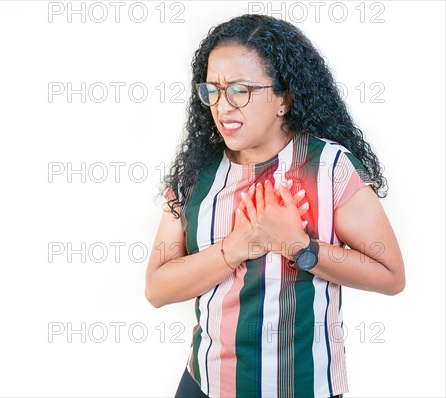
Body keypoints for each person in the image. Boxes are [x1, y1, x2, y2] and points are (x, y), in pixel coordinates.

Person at [144, 14, 405, 398]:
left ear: (285, 97)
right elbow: (157, 288)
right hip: (205, 385)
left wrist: (299, 247)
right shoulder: (194, 175)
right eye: (212, 89)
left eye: (240, 90)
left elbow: (390, 276)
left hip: (303, 388)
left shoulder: (330, 168)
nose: (222, 105)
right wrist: (240, 246)